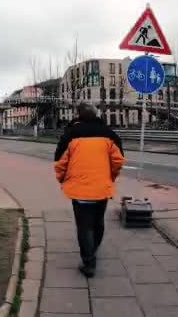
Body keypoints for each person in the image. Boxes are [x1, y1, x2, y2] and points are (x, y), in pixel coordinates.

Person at [54, 103, 125, 277]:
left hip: (79, 190)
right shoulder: (109, 134)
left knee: (84, 226)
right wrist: (110, 178)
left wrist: (63, 180)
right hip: (101, 188)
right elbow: (118, 161)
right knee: (98, 221)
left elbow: (59, 163)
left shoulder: (70, 135)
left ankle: (89, 262)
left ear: (78, 116)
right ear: (96, 115)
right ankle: (92, 249)